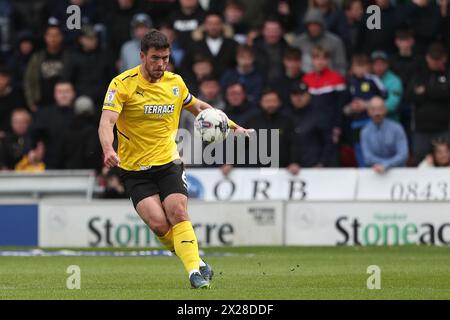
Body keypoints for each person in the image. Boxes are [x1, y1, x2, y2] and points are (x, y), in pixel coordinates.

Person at [98, 30, 252, 289]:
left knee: (178, 212)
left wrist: (235, 127)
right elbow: (106, 122)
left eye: (166, 58)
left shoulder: (175, 83)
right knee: (159, 225)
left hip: (169, 162)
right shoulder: (121, 84)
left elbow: (201, 108)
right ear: (142, 56)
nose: (161, 64)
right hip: (134, 169)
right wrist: (108, 149)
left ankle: (194, 273)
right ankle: (197, 260)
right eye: (155, 58)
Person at [407, 42, 449, 164]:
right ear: (427, 58)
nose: (435, 62)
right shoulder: (419, 74)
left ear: (444, 58)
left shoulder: (447, 74)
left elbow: (446, 93)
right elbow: (409, 96)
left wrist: (426, 91)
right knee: (421, 160)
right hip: (421, 129)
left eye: (438, 59)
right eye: (433, 58)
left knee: (445, 162)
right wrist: (438, 91)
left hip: (443, 128)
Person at [361, 97, 409, 174]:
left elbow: (403, 154)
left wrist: (386, 165)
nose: (377, 113)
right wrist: (383, 164)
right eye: (373, 109)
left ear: (385, 110)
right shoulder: (365, 132)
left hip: (398, 173)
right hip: (375, 173)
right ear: (368, 112)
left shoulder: (397, 128)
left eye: (380, 109)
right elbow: (367, 157)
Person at [293, 8, 347, 76]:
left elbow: (341, 66)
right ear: (306, 26)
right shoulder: (298, 42)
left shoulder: (335, 42)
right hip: (304, 81)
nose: (313, 27)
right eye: (310, 24)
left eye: (316, 24)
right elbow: (292, 64)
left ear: (322, 24)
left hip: (329, 82)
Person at [370, 50, 403, 122]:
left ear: (387, 65)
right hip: (369, 123)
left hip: (390, 121)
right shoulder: (367, 78)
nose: (378, 67)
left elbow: (393, 104)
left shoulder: (395, 80)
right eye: (376, 64)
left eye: (381, 64)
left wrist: (371, 108)